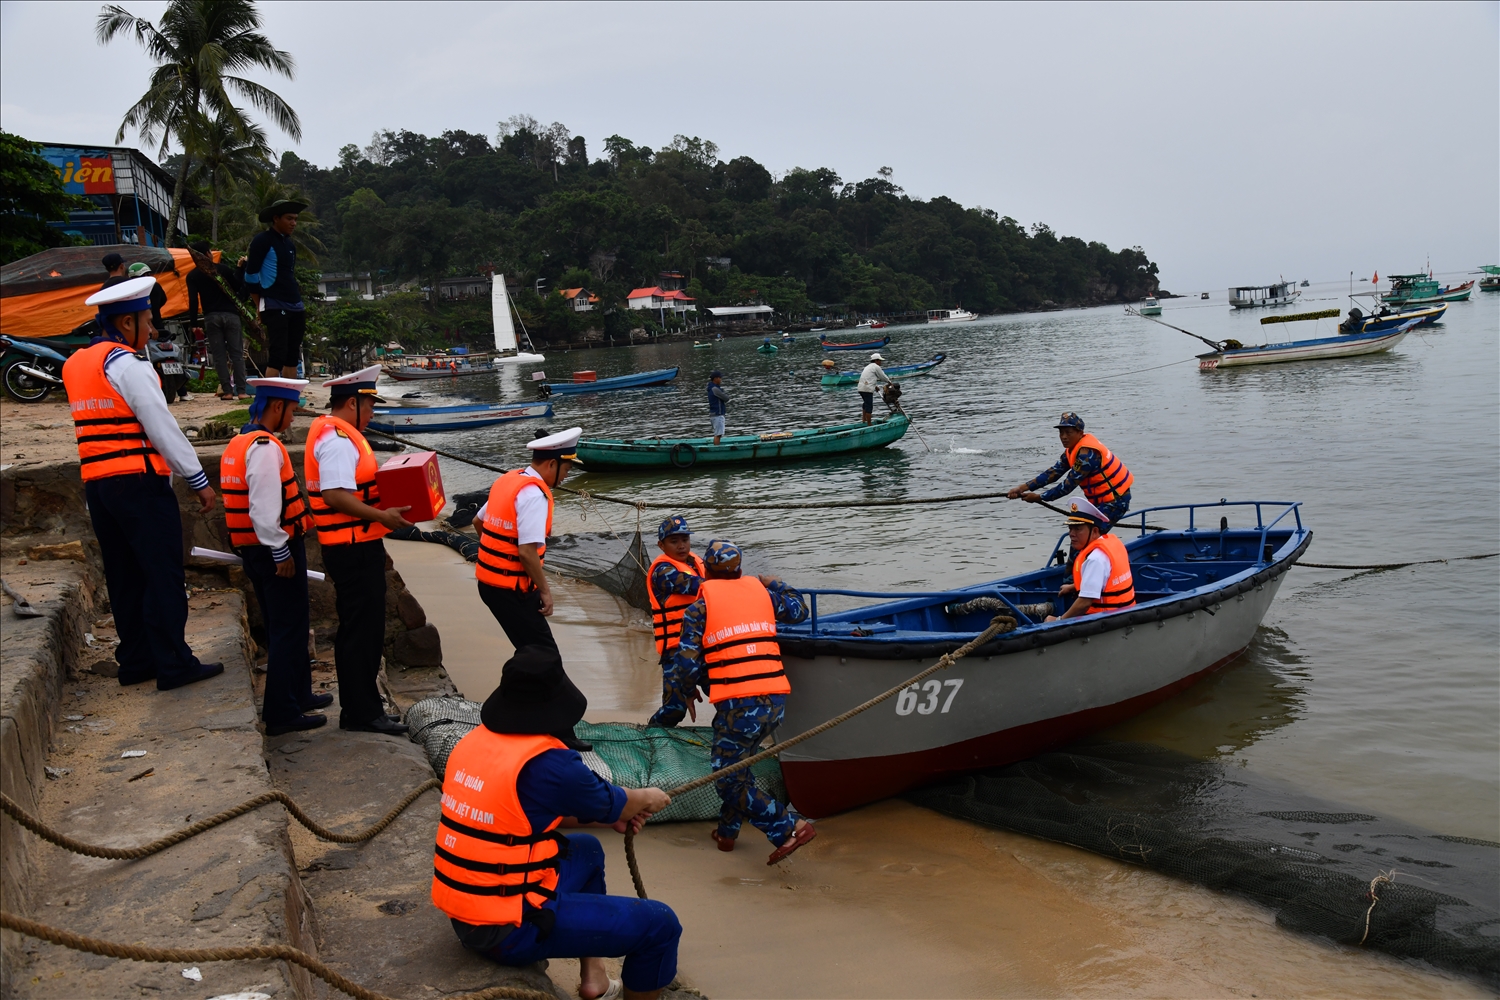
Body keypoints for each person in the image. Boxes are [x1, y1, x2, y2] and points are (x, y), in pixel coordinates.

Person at [432, 644, 681, 1000]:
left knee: (587, 850)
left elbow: (519, 815)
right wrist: (649, 797)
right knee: (660, 924)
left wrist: (610, 818)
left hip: (468, 911)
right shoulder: (554, 765)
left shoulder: (474, 742)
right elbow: (620, 802)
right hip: (508, 927)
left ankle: (593, 977)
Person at [61, 276, 223, 690]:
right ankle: (174, 662)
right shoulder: (128, 365)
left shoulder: (76, 364)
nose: (152, 331)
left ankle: (136, 660)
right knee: (162, 573)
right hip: (139, 482)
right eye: (147, 321)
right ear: (127, 322)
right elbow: (162, 428)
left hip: (98, 483)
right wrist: (198, 479)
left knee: (124, 574)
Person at [665, 539, 817, 863]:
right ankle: (726, 833)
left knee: (726, 779)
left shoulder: (699, 608)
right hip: (775, 701)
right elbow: (799, 610)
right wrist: (773, 581)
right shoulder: (764, 594)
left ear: (705, 571)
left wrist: (683, 691)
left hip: (739, 705)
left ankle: (790, 826)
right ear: (741, 570)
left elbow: (687, 664)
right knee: (738, 768)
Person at [305, 364, 413, 735]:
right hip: (351, 548)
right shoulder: (336, 440)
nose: (372, 414)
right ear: (352, 403)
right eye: (369, 407)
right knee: (360, 632)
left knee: (364, 630)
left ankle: (364, 707)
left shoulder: (341, 435)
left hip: (356, 544)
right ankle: (362, 713)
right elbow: (334, 496)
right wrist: (382, 515)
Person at [222, 376, 332, 736]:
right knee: (287, 628)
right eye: (292, 410)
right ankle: (282, 711)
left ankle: (299, 694)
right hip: (273, 549)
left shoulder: (238, 443)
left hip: (254, 548)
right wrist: (281, 551)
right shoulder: (265, 447)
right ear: (277, 406)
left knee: (288, 624)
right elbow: (263, 508)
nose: (292, 418)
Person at [473, 427, 583, 653]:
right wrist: (545, 591)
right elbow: (526, 552)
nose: (566, 476)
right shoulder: (535, 495)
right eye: (567, 469)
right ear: (552, 464)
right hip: (512, 590)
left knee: (529, 652)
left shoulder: (508, 481)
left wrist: (496, 557)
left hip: (488, 584)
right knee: (544, 655)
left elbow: (477, 521)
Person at [1007, 412, 1134, 525]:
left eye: (1068, 432)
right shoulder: (1071, 450)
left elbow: (1067, 486)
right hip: (1099, 502)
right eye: (1061, 432)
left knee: (1085, 533)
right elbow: (1053, 473)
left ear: (1080, 433)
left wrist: (1039, 497)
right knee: (1076, 529)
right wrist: (1021, 488)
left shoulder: (1087, 455)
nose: (1064, 437)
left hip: (1116, 501)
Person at [645, 516, 707, 727]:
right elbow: (696, 586)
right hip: (676, 651)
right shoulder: (663, 572)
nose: (681, 546)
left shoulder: (699, 564)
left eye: (685, 539)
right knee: (674, 709)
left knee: (727, 697)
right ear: (661, 545)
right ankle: (651, 734)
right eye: (674, 541)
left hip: (706, 646)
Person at [242, 198, 308, 378]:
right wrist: (259, 306)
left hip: (295, 304)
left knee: (292, 355)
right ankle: (271, 401)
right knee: (278, 353)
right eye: (289, 218)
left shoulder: (290, 244)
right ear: (276, 218)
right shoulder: (262, 240)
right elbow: (250, 276)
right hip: (274, 303)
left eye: (295, 219)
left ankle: (291, 402)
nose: (293, 223)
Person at [1045, 497, 1136, 622]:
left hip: (1106, 620)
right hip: (1125, 611)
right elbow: (1104, 579)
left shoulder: (1095, 559)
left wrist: (1058, 620)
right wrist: (1073, 586)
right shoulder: (1111, 544)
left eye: (1078, 529)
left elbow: (1084, 603)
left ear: (1094, 531)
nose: (1072, 534)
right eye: (1070, 528)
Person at [187, 240, 251, 400]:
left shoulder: (193, 276)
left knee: (219, 356)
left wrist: (194, 324)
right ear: (208, 254)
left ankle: (227, 391)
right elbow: (236, 287)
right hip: (231, 315)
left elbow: (193, 301)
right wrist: (240, 268)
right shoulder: (222, 269)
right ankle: (242, 391)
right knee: (236, 354)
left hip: (211, 317)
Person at [856, 353, 891, 425]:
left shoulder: (867, 367)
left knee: (865, 403)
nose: (880, 362)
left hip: (861, 388)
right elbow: (882, 376)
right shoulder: (876, 367)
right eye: (880, 361)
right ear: (876, 360)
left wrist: (875, 386)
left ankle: (864, 420)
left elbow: (868, 378)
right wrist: (889, 382)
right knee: (869, 406)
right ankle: (869, 424)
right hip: (867, 389)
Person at [706, 371, 728, 444]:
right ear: (715, 379)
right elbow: (726, 398)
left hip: (714, 414)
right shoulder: (715, 389)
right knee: (718, 435)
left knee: (718, 434)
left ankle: (716, 447)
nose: (721, 379)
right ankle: (716, 449)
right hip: (717, 414)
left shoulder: (711, 388)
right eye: (720, 378)